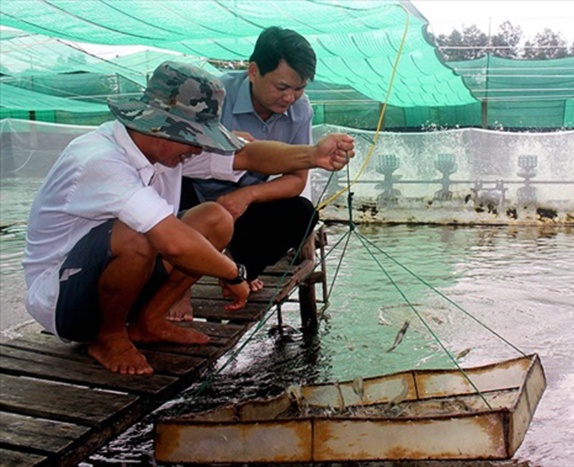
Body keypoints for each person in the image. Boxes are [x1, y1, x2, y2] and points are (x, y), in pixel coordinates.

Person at [22, 61, 354, 376]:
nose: (197, 150)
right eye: (195, 139)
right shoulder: (100, 160)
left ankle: (148, 321)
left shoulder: (162, 148)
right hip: (64, 300)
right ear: (161, 127)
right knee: (136, 235)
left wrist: (312, 155)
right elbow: (171, 241)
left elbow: (246, 155)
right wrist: (233, 273)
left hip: (119, 280)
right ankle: (109, 338)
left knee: (215, 218)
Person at [180, 26, 318, 303]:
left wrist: (247, 195)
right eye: (282, 87)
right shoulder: (213, 95)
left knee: (303, 214)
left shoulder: (301, 110)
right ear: (253, 72)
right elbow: (175, 154)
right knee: (171, 186)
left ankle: (236, 267)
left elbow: (296, 179)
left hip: (241, 209)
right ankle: (178, 289)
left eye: (299, 89)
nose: (290, 98)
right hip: (192, 200)